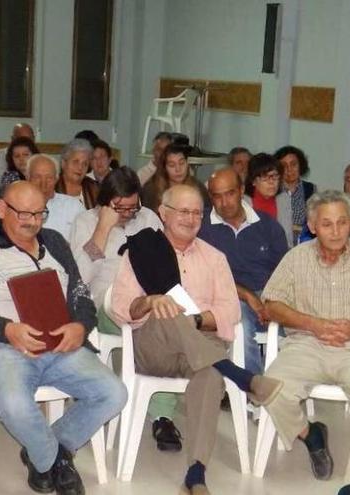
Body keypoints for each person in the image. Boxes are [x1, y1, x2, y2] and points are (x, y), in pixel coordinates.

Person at [0, 181, 127, 495]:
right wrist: (5, 328)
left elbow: (82, 297)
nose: (32, 221)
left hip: (63, 345)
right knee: (15, 404)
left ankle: (42, 453)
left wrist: (80, 327)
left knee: (114, 393)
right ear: (1, 209)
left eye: (40, 213)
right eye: (23, 214)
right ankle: (54, 460)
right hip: (6, 347)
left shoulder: (55, 241)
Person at [111, 184, 282, 495]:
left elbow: (230, 311)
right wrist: (150, 301)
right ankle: (242, 377)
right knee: (169, 307)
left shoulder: (215, 257)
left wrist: (196, 320)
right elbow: (121, 309)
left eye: (197, 213)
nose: (190, 219)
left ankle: (196, 473)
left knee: (210, 372)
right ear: (163, 213)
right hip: (154, 347)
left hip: (202, 349)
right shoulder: (143, 250)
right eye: (183, 211)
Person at [262, 190, 350, 495]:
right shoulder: (296, 258)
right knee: (269, 387)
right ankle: (309, 433)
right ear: (313, 227)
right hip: (306, 344)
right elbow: (271, 304)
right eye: (327, 224)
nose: (336, 231)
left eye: (342, 222)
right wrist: (313, 324)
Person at [67, 167, 177, 451]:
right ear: (106, 202)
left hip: (149, 296)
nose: (128, 213)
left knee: (164, 321)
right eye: (120, 207)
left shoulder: (149, 218)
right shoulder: (86, 221)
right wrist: (103, 229)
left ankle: (163, 416)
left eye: (133, 206)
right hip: (106, 300)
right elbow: (79, 277)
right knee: (158, 323)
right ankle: (159, 410)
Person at [200, 168, 288, 373]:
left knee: (293, 325)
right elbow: (207, 277)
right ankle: (254, 390)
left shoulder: (267, 225)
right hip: (225, 296)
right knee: (241, 325)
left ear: (241, 190)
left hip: (268, 294)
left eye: (229, 193)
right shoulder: (202, 227)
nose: (224, 202)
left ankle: (282, 383)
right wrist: (248, 296)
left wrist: (271, 300)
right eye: (217, 196)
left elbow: (284, 272)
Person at [27, 154, 84, 241]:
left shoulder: (74, 206)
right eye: (37, 177)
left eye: (49, 178)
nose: (43, 183)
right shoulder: (16, 206)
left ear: (56, 179)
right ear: (27, 178)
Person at [243, 153, 294, 247]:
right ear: (253, 181)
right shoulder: (243, 202)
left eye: (275, 176)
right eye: (265, 177)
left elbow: (287, 238)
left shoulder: (283, 200)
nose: (271, 182)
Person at [141, 143, 209, 213]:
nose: (178, 169)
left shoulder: (198, 187)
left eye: (182, 163)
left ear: (187, 164)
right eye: (172, 165)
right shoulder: (151, 190)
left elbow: (206, 215)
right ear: (164, 168)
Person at [274, 145, 316, 241]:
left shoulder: (311, 189)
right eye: (284, 165)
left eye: (293, 164)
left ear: (300, 166)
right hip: (277, 243)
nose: (289, 169)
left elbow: (316, 222)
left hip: (304, 244)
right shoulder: (272, 190)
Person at [56, 138, 99, 209]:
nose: (80, 167)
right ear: (63, 163)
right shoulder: (52, 186)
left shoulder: (94, 188)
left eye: (85, 164)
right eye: (75, 162)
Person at [0, 122, 36, 187]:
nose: (21, 158)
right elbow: (2, 182)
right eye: (17, 156)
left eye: (25, 154)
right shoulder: (0, 155)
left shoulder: (40, 158)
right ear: (12, 139)